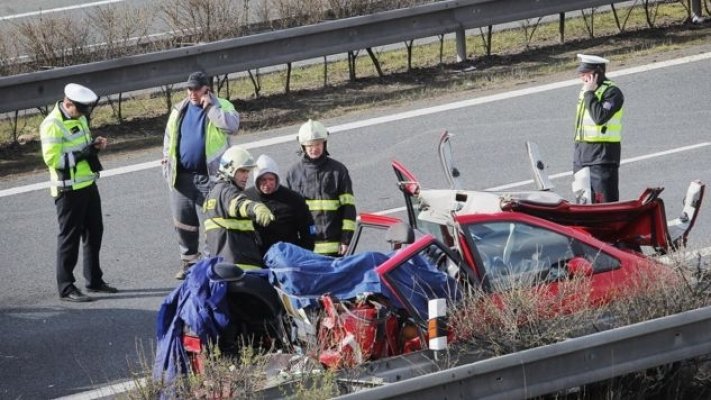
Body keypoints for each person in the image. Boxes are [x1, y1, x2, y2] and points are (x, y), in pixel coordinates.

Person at [40, 83, 118, 302]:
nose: (84, 115)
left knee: (95, 232)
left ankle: (94, 280)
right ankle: (66, 287)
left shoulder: (79, 117)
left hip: (87, 184)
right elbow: (53, 160)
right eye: (80, 109)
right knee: (69, 238)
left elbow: (80, 147)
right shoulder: (52, 124)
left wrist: (93, 146)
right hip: (68, 190)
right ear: (68, 103)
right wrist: (83, 154)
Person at [162, 71, 240, 279]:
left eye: (196, 89)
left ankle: (208, 264)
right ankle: (189, 262)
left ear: (207, 89)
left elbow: (232, 127)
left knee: (212, 222)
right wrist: (167, 164)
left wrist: (211, 108)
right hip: (182, 177)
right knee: (183, 223)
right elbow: (169, 138)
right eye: (189, 89)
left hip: (210, 178)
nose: (192, 93)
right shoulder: (179, 109)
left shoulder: (223, 106)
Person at [285, 119, 356, 257]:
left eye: (318, 144)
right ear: (302, 146)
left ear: (324, 143)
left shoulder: (338, 171)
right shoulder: (293, 174)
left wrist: (346, 240)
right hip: (306, 250)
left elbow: (349, 209)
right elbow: (289, 215)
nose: (314, 148)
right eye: (309, 145)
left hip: (335, 250)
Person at [203, 146, 275, 270]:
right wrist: (256, 208)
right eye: (242, 171)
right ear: (230, 169)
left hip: (224, 267)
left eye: (247, 172)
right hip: (239, 268)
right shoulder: (227, 191)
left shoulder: (214, 194)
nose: (246, 176)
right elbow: (238, 204)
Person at [573, 54, 624, 204]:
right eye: (581, 74)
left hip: (602, 156)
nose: (582, 77)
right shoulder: (585, 90)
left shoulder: (612, 93)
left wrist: (590, 93)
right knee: (582, 201)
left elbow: (600, 117)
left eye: (586, 73)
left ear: (598, 72)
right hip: (581, 153)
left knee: (604, 202)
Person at [244, 154, 315, 256]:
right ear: (256, 180)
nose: (267, 184)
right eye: (263, 180)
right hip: (258, 258)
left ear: (277, 179)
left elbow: (308, 230)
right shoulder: (246, 199)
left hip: (289, 258)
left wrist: (302, 255)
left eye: (271, 179)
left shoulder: (293, 199)